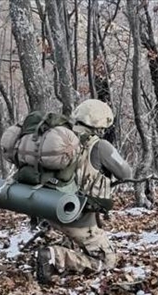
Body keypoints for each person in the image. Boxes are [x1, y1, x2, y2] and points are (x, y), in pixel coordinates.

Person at [33, 99, 132, 284]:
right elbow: (126, 173)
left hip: (49, 208)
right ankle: (55, 256)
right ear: (101, 123)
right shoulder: (100, 146)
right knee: (107, 261)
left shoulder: (59, 139)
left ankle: (66, 243)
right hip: (77, 217)